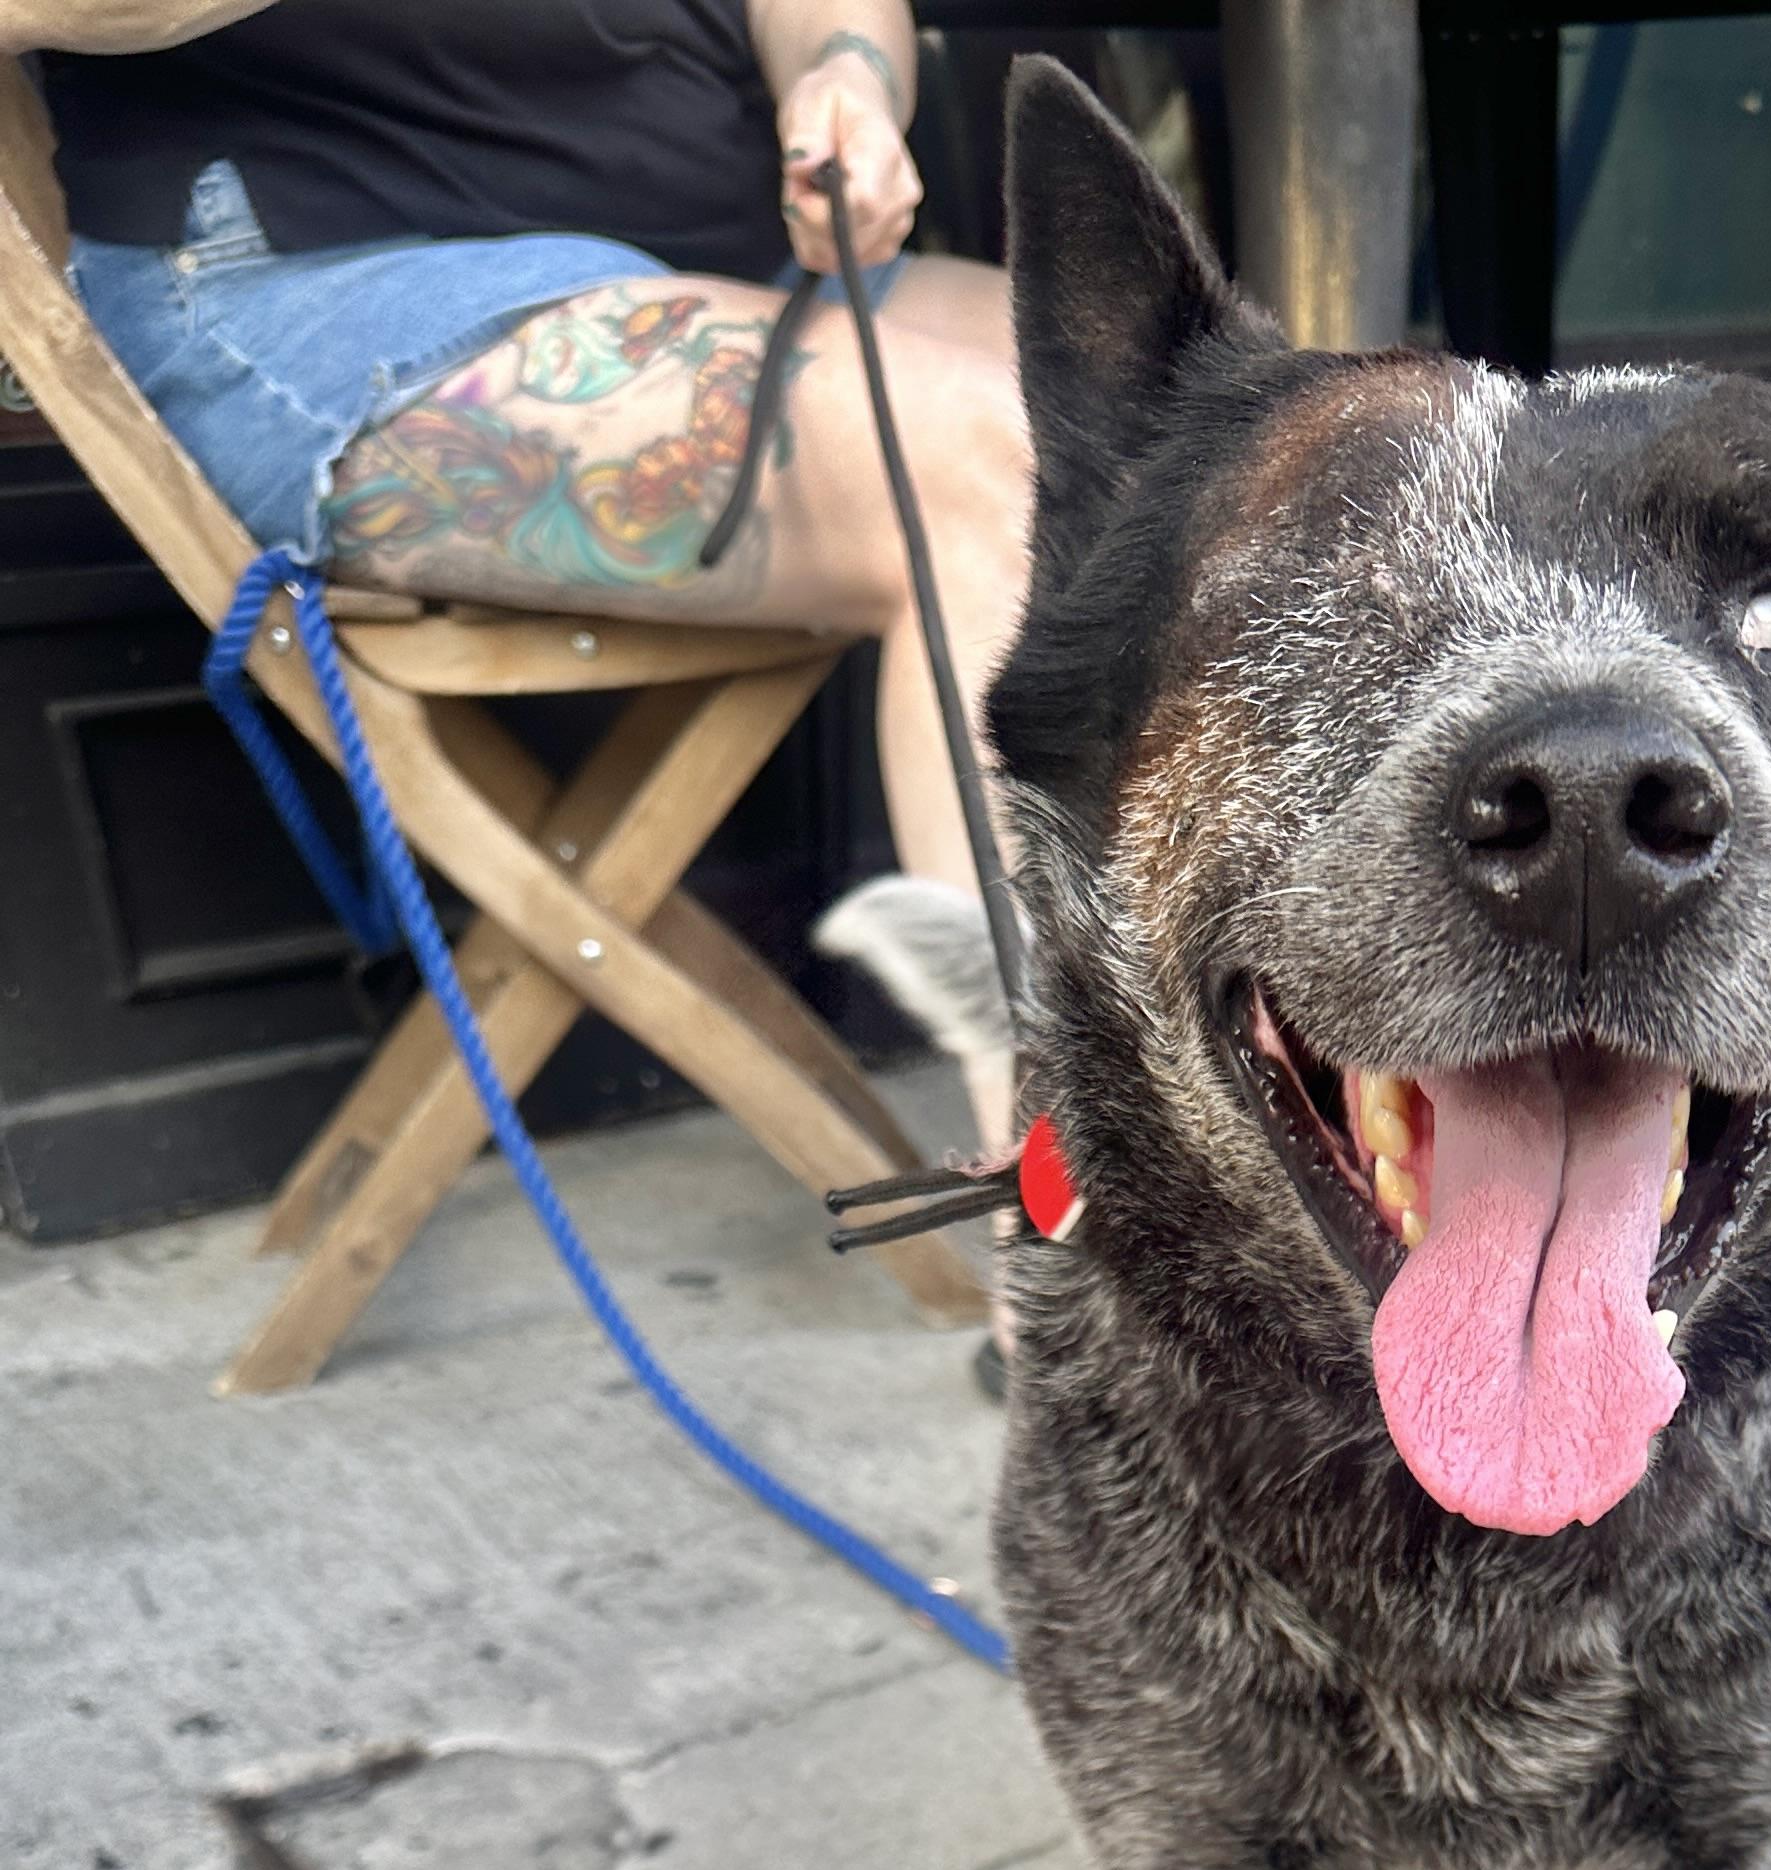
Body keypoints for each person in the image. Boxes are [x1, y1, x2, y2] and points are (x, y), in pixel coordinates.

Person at [9, 3, 1033, 1144]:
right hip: (339, 281)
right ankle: (1072, 1246)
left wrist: (842, 81)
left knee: (1185, 426)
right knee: (993, 465)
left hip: (735, 247)